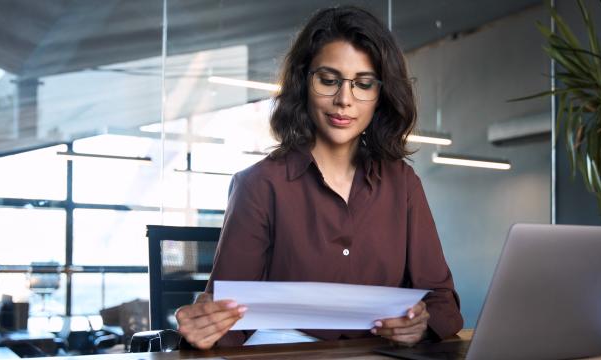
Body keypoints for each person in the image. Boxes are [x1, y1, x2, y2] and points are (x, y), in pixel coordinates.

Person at [174, 5, 463, 350]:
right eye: (328, 80)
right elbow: (226, 320)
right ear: (303, 83)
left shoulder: (403, 184)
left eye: (364, 84)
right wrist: (203, 329)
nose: (344, 100)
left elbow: (443, 303)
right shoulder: (259, 185)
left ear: (380, 96)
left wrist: (420, 325)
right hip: (284, 353)